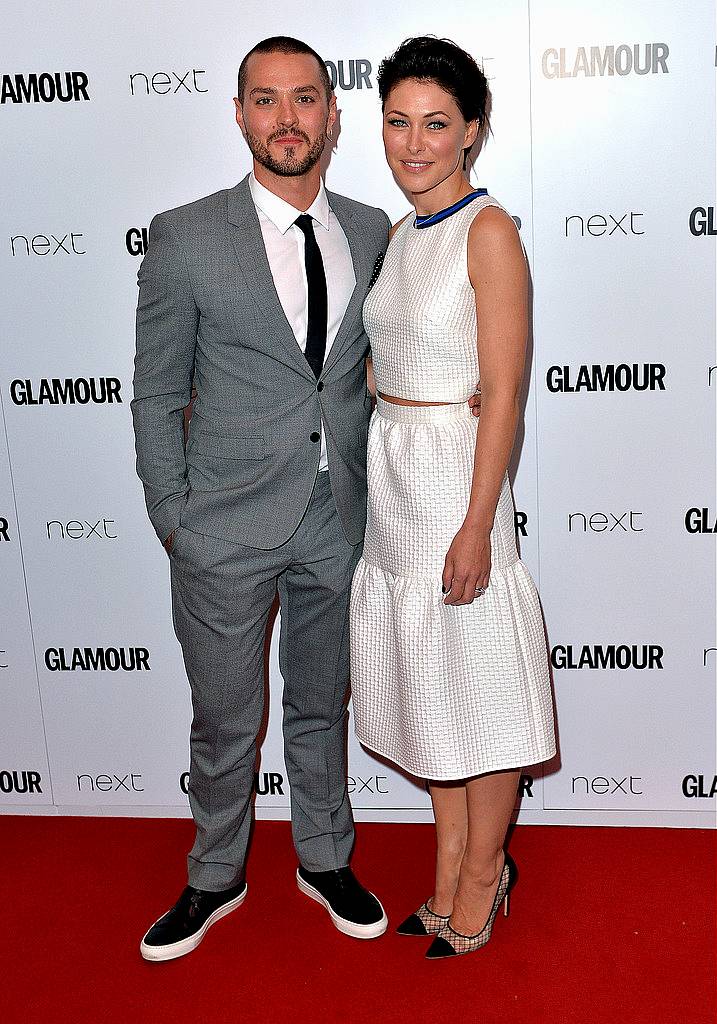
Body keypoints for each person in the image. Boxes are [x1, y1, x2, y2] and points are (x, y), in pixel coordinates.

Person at [131, 35, 394, 961]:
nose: (287, 118)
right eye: (265, 99)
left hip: (337, 518)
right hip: (223, 525)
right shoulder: (184, 233)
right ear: (240, 113)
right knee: (224, 715)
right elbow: (158, 390)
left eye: (305, 99)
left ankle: (323, 857)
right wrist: (177, 519)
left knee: (323, 705)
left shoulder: (372, 229)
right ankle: (215, 874)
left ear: (332, 113)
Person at [350, 36, 557, 959]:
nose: (414, 142)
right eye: (398, 121)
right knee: (429, 689)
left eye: (436, 123)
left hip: (456, 482)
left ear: (472, 132)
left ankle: (484, 875)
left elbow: (503, 393)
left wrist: (478, 525)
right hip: (394, 477)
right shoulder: (399, 235)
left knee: (481, 688)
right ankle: (444, 869)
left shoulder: (489, 231)